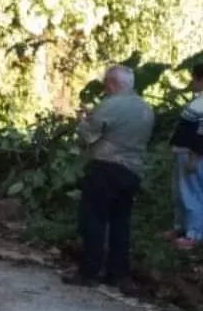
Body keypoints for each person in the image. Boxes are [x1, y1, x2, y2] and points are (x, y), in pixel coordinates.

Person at [65, 65, 155, 291]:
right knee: (120, 223)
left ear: (113, 84)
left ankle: (89, 271)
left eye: (106, 84)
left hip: (106, 167)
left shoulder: (111, 105)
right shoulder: (146, 109)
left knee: (93, 220)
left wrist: (83, 120)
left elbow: (89, 135)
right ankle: (118, 273)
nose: (105, 89)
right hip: (133, 170)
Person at [168, 63, 203, 250]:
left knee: (193, 193)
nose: (192, 82)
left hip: (192, 154)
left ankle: (194, 233)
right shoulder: (198, 101)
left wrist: (195, 156)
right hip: (184, 152)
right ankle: (181, 227)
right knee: (180, 192)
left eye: (195, 78)